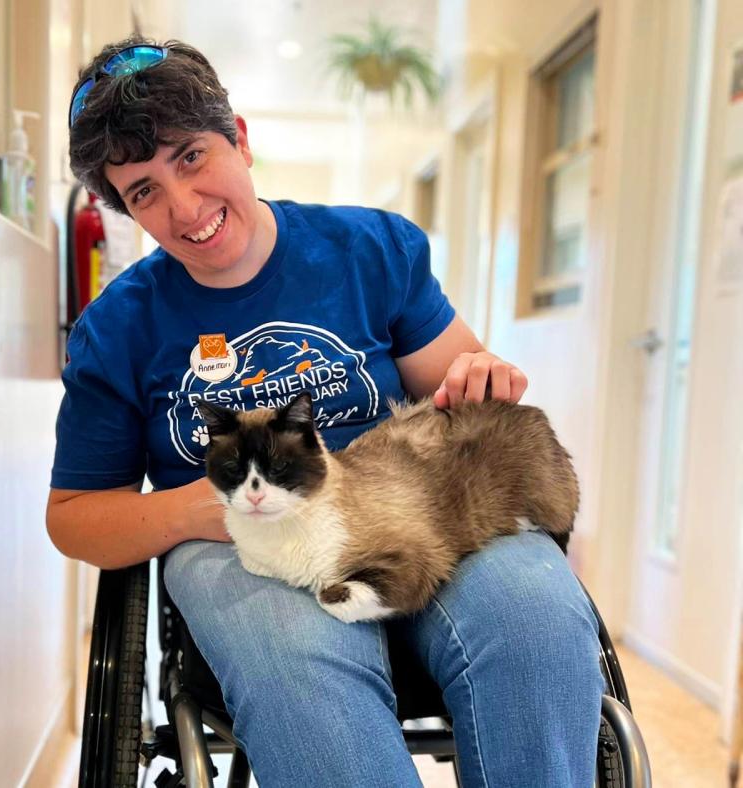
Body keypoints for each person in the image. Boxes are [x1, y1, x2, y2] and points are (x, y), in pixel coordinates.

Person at [49, 37, 603, 787]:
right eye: (143, 191)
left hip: (414, 514)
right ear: (123, 210)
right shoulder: (116, 330)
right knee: (298, 662)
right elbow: (75, 515)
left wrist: (479, 373)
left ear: (240, 139)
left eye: (191, 157)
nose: (183, 207)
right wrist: (196, 512)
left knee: (535, 615)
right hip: (241, 543)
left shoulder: (372, 250)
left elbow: (461, 389)